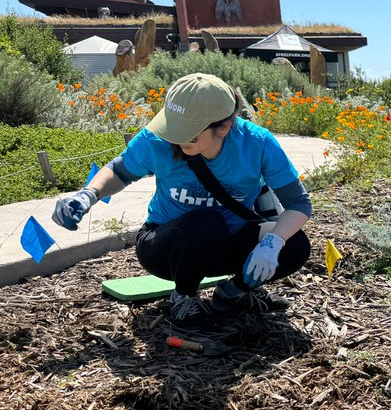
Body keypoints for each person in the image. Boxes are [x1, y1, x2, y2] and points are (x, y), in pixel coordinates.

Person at [51, 72, 313, 333]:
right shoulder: (157, 140)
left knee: (296, 244)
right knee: (206, 223)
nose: (175, 139)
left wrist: (272, 242)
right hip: (168, 247)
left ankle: (233, 293)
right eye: (172, 128)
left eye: (188, 133)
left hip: (229, 242)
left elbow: (298, 203)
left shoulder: (257, 143)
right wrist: (88, 194)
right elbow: (119, 172)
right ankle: (184, 298)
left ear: (223, 127)